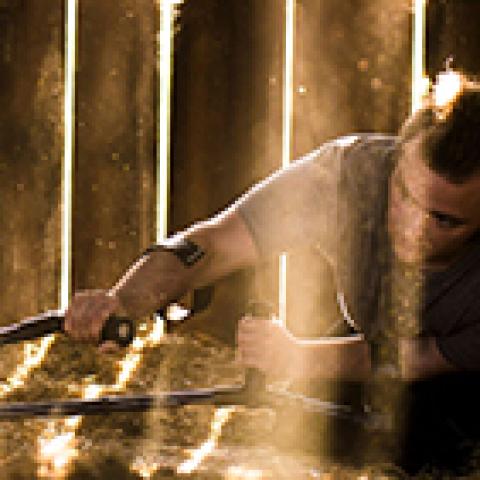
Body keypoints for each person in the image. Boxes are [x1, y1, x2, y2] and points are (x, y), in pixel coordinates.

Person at [65, 75, 480, 473]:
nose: (412, 227)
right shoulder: (350, 177)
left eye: (444, 220)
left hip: (456, 379)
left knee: (427, 440)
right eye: (404, 195)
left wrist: (296, 356)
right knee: (312, 427)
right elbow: (211, 245)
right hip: (378, 348)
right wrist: (124, 302)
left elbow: (414, 361)